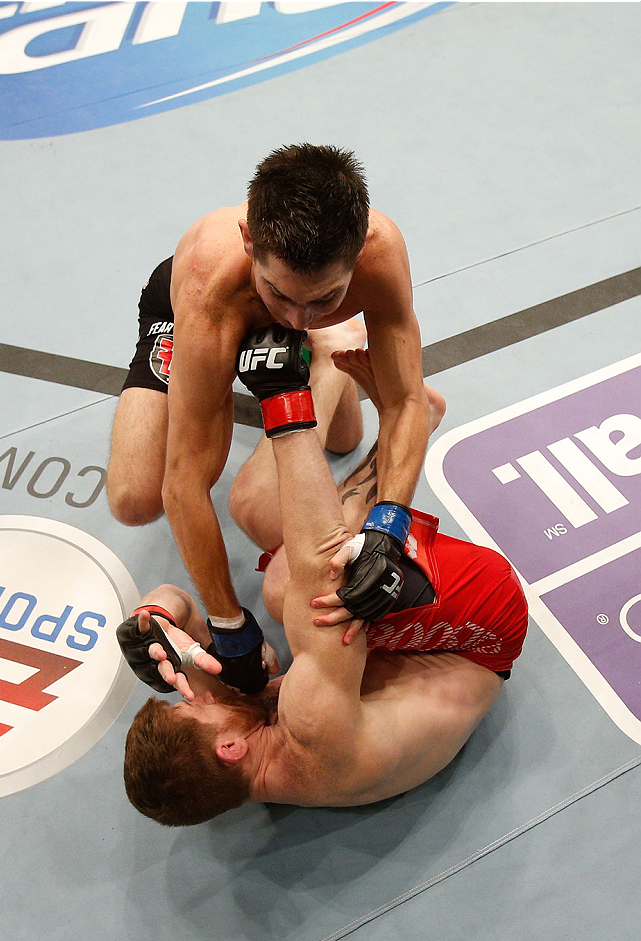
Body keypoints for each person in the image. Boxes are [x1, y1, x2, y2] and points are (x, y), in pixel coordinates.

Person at [120, 335, 528, 826]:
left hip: (406, 650)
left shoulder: (239, 755)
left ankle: (345, 362)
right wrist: (282, 397)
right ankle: (407, 422)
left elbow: (178, 604)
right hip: (479, 626)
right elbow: (322, 556)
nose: (202, 697)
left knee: (250, 504)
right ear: (229, 749)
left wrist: (152, 617)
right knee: (298, 585)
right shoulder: (312, 734)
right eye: (197, 710)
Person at [107, 144, 430, 673]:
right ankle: (327, 346)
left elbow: (407, 399)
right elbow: (185, 478)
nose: (298, 315)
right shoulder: (210, 287)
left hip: (276, 304)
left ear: (357, 255)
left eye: (324, 299)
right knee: (134, 499)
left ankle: (329, 351)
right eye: (280, 294)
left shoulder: (382, 250)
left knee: (345, 441)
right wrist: (228, 623)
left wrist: (389, 527)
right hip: (191, 310)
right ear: (248, 240)